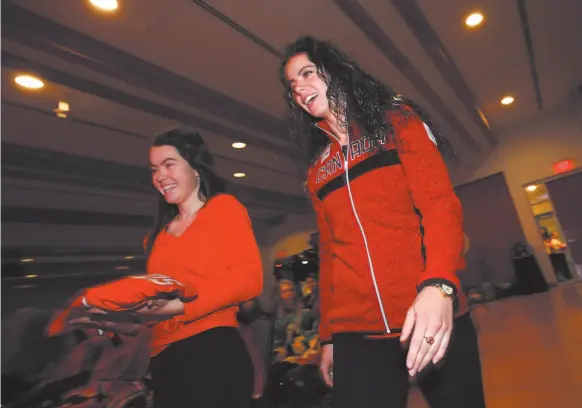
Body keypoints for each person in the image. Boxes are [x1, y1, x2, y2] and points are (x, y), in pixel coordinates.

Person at [280, 36, 486, 408]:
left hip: (428, 315)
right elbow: (329, 254)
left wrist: (440, 286)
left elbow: (439, 205)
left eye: (307, 73)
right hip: (357, 334)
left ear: (335, 72)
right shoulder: (317, 171)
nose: (300, 89)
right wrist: (327, 337)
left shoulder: (398, 122)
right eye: (293, 86)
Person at [71, 129, 264, 407]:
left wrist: (179, 306)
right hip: (164, 361)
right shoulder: (155, 238)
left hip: (213, 354)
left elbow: (249, 281)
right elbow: (154, 306)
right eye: (154, 169)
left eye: (169, 164)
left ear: (196, 168)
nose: (160, 176)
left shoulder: (223, 209)